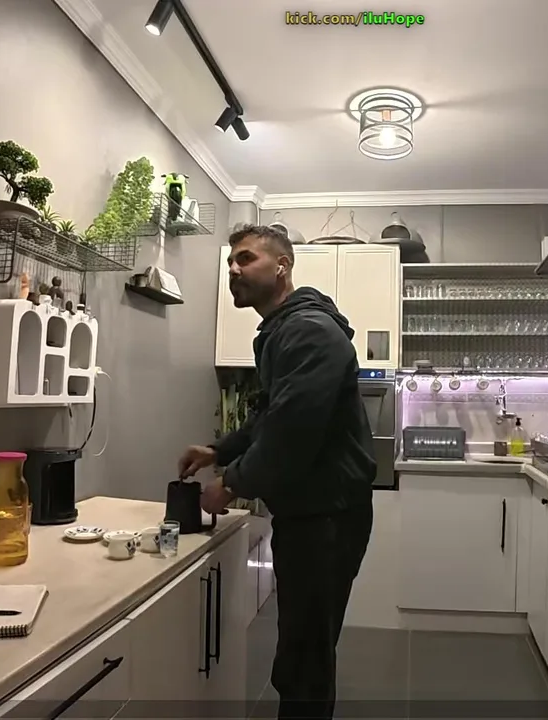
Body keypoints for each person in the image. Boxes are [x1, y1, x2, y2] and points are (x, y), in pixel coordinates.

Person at [177, 224, 376, 720]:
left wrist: (231, 484)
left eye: (246, 259)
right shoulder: (282, 330)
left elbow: (293, 430)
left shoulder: (307, 331)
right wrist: (218, 450)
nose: (233, 270)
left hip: (326, 516)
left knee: (305, 656)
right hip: (315, 511)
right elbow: (272, 414)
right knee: (303, 647)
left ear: (282, 265)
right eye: (231, 262)